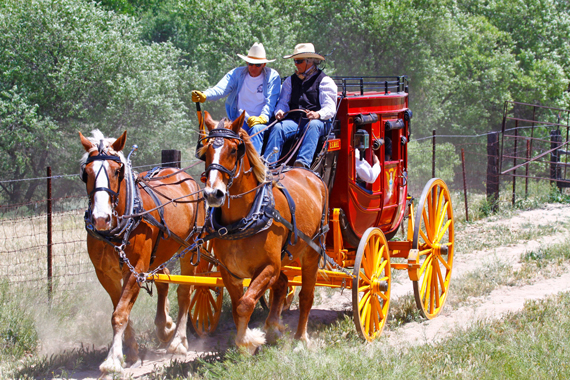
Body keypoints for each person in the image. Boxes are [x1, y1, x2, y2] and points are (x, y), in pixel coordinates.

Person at [192, 42, 281, 153]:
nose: (253, 67)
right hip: (239, 121)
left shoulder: (273, 77)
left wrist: (262, 118)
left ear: (264, 64)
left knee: (257, 129)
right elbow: (220, 89)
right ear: (246, 62)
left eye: (257, 65)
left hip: (262, 123)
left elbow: (271, 101)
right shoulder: (236, 74)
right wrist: (205, 95)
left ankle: (255, 165)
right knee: (222, 133)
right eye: (250, 63)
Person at [262, 43, 337, 169]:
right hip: (295, 121)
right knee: (278, 127)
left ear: (310, 61)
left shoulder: (324, 81)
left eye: (299, 61)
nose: (295, 64)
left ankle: (302, 164)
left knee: (312, 125)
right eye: (295, 61)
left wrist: (317, 114)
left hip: (317, 123)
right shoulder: (290, 81)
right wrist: (280, 111)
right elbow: (283, 102)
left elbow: (330, 108)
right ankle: (268, 165)